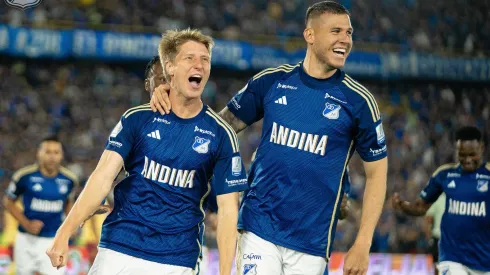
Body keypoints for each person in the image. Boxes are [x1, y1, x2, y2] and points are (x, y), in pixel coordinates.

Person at [151, 2, 388, 274]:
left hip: (313, 242)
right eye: (336, 31)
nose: (345, 40)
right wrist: (174, 94)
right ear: (310, 35)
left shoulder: (359, 102)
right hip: (258, 228)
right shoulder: (272, 82)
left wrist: (363, 242)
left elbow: (377, 174)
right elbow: (216, 128)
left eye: (349, 33)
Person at [46, 29, 248, 275]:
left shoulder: (221, 135)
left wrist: (226, 272)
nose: (200, 65)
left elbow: (229, 210)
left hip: (178, 259)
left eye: (205, 59)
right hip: (120, 248)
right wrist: (64, 232)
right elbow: (101, 178)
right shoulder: (137, 118)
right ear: (170, 67)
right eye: (190, 58)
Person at [393, 126, 490, 275]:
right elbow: (421, 207)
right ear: (456, 150)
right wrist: (403, 206)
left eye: (472, 154)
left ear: (481, 148)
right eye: (462, 155)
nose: (467, 160)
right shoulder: (444, 174)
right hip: (452, 257)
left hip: (483, 260)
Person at [3, 136, 79, 275]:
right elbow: (8, 201)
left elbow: (69, 203)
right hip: (26, 239)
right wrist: (26, 223)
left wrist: (70, 225)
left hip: (54, 240)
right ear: (39, 153)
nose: (52, 156)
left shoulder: (69, 180)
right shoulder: (24, 176)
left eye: (56, 152)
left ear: (62, 155)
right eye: (47, 152)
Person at [424, 193, 445, 275]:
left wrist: (429, 238)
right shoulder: (456, 197)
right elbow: (428, 220)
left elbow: (427, 220)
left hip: (441, 238)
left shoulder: (436, 199)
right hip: (440, 237)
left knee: (438, 265)